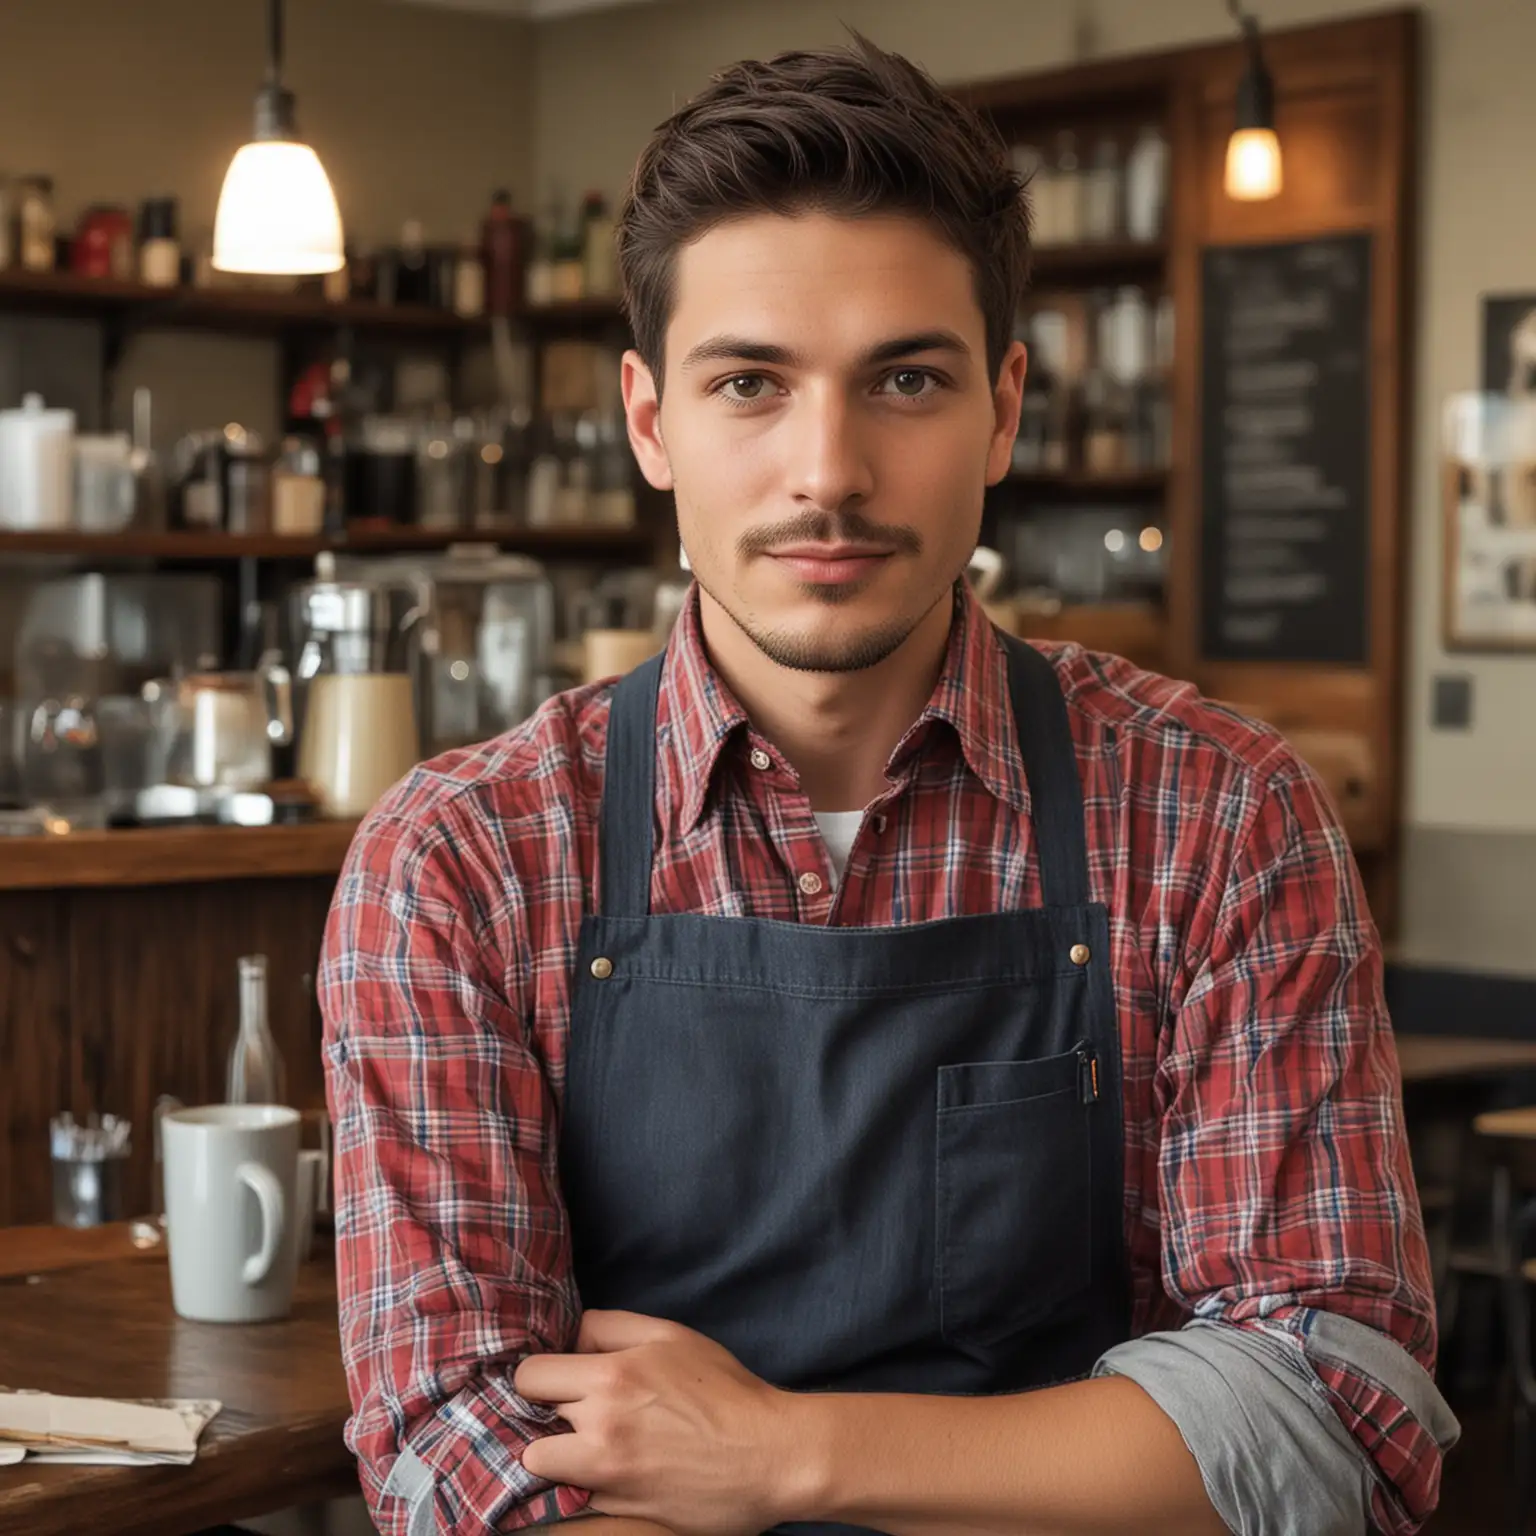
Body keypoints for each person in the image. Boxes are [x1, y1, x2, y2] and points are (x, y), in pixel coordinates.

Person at [319, 34, 1459, 1536]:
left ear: (1003, 407)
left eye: (904, 380)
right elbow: (449, 1454)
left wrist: (783, 1455)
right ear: (651, 422)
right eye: (750, 383)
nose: (828, 469)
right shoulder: (461, 859)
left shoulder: (1221, 814)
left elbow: (1335, 1415)